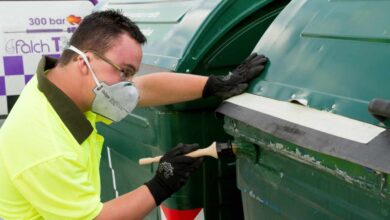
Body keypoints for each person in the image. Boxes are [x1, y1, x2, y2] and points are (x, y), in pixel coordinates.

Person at [0, 10, 268, 219]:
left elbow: (146, 87)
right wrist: (163, 182)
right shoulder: (46, 144)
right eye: (124, 71)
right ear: (85, 62)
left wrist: (218, 84)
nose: (128, 84)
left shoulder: (60, 85)